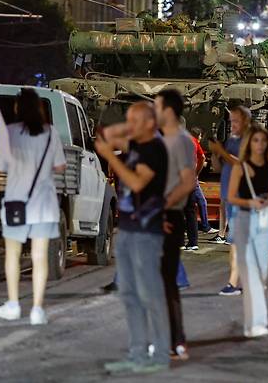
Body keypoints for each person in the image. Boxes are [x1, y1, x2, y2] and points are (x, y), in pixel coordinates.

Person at [95, 102, 170, 374]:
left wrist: (111, 157)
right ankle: (137, 353)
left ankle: (160, 353)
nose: (129, 127)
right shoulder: (137, 145)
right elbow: (106, 137)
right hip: (128, 229)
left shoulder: (155, 149)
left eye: (135, 121)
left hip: (146, 232)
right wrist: (129, 124)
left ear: (150, 124)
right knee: (129, 294)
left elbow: (138, 183)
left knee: (150, 293)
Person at [0, 88, 67, 326]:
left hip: (16, 202)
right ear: (39, 108)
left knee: (13, 254)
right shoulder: (51, 133)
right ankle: (36, 309)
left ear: (17, 108)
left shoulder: (9, 133)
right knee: (39, 256)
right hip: (43, 204)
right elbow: (60, 166)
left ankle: (13, 305)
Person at [154, 89, 195, 359]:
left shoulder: (181, 140)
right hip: (153, 216)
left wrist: (164, 208)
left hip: (168, 217)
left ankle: (175, 340)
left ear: (168, 110)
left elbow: (187, 182)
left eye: (157, 106)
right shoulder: (158, 139)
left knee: (166, 281)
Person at [227, 124, 268, 338]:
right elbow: (230, 197)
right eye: (256, 141)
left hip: (265, 219)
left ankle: (252, 322)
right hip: (245, 218)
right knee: (251, 273)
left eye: (263, 141)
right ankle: (257, 322)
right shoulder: (241, 167)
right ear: (249, 143)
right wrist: (250, 201)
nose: (259, 145)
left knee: (261, 273)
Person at [209, 106, 251, 296]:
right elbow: (220, 167)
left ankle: (233, 283)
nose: (232, 125)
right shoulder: (232, 140)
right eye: (231, 121)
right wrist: (215, 154)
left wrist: (222, 153)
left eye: (236, 121)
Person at [189, 127, 218, 235]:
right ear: (198, 136)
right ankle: (205, 226)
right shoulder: (195, 142)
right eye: (201, 136)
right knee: (201, 201)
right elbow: (202, 157)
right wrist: (196, 173)